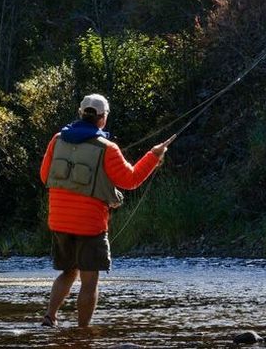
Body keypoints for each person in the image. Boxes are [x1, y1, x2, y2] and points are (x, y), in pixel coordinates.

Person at [39, 93, 175, 328]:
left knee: (68, 272)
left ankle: (49, 318)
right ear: (103, 119)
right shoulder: (108, 148)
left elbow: (44, 176)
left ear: (81, 113)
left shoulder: (57, 140)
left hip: (59, 221)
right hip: (89, 224)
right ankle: (83, 332)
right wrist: (153, 156)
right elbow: (130, 180)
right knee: (89, 281)